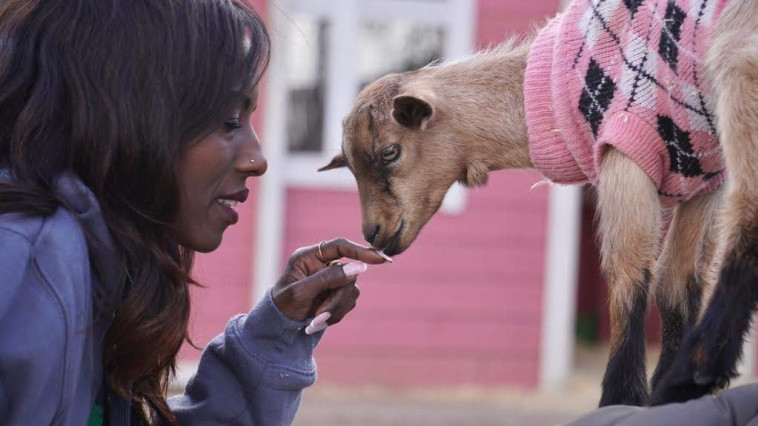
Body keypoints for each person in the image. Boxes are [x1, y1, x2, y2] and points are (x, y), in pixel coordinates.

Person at [0, 0, 387, 424]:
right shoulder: (25, 263)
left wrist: (275, 333)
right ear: (127, 114)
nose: (257, 159)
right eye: (227, 121)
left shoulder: (102, 266)